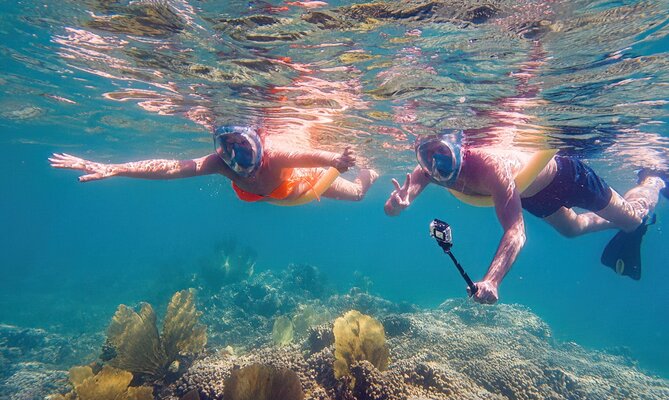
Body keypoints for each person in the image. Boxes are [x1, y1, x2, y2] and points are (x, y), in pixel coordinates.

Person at [384, 130, 667, 304]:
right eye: (426, 157)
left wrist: (492, 280)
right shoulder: (429, 170)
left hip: (568, 177)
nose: (436, 165)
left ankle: (653, 179)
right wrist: (398, 205)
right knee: (573, 228)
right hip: (533, 194)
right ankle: (619, 220)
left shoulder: (489, 167)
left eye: (442, 154)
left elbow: (516, 232)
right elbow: (408, 190)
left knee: (633, 220)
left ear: (459, 148)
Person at [50, 125, 378, 204]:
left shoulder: (276, 156)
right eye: (226, 149)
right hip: (274, 194)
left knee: (358, 193)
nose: (235, 160)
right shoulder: (221, 164)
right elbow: (171, 167)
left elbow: (313, 157)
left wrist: (338, 160)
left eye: (244, 150)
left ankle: (372, 171)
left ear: (260, 147)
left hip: (303, 186)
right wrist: (114, 168)